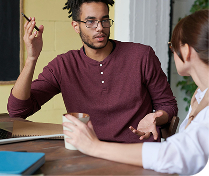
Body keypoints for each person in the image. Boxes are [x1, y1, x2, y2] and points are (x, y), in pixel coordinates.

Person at [8, 0, 177, 143]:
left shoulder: (141, 55)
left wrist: (154, 118)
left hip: (136, 153)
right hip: (87, 154)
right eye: (90, 22)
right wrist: (31, 58)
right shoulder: (63, 65)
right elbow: (18, 110)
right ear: (76, 26)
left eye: (105, 21)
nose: (100, 28)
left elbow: (168, 105)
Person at [62, 9, 209, 175]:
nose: (99, 28)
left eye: (173, 46)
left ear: (187, 51)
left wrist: (94, 146)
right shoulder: (200, 95)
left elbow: (176, 155)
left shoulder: (142, 55)